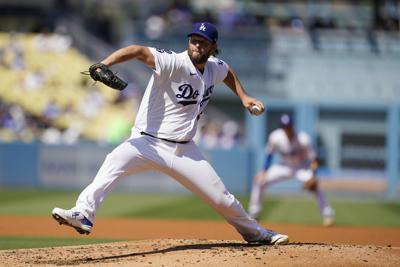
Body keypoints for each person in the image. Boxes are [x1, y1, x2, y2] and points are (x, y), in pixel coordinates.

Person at [52, 22, 289, 245]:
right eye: (194, 40)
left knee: (222, 199)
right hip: (146, 142)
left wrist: (244, 96)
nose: (197, 45)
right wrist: (104, 64)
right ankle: (83, 213)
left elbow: (227, 72)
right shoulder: (173, 62)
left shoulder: (214, 67)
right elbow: (136, 50)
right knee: (113, 161)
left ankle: (255, 233)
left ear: (213, 47)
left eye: (203, 42)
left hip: (185, 149)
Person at [248, 114, 335, 226]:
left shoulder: (303, 139)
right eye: (284, 126)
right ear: (281, 127)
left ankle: (328, 215)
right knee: (259, 180)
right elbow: (270, 154)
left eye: (288, 126)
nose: (287, 128)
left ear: (293, 126)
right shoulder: (275, 137)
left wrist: (313, 175)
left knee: (315, 186)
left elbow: (314, 159)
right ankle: (254, 214)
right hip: (284, 167)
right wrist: (264, 170)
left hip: (301, 167)